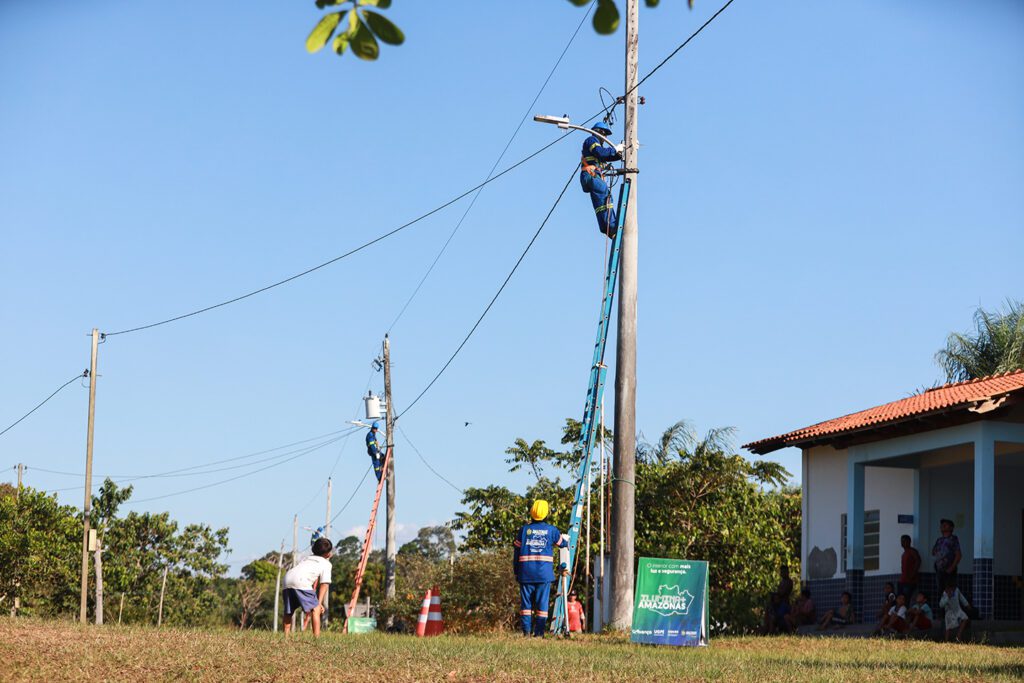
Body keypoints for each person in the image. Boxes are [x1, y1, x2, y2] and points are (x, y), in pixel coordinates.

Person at [513, 499, 567, 637]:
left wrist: (516, 571)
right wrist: (567, 540)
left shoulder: (524, 530)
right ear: (547, 513)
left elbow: (516, 552)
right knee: (542, 606)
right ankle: (539, 634)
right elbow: (562, 544)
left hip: (525, 573)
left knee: (526, 605)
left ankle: (526, 633)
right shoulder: (552, 530)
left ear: (531, 512)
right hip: (544, 574)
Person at [578, 122, 622, 239]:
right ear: (599, 132)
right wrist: (615, 149)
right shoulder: (592, 140)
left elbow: (606, 156)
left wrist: (620, 154)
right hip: (591, 175)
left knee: (600, 204)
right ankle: (611, 226)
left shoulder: (596, 145)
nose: (605, 138)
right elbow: (600, 152)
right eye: (605, 134)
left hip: (590, 176)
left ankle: (606, 228)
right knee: (606, 197)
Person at [283, 537, 333, 638]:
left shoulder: (307, 558)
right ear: (328, 553)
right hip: (301, 581)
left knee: (289, 610)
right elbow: (324, 584)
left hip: (287, 579)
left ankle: (286, 637)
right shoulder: (326, 564)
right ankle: (316, 639)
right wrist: (319, 603)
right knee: (315, 609)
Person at [931, 519, 962, 589]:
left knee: (949, 591)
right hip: (939, 570)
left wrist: (952, 567)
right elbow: (933, 552)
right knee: (941, 591)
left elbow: (958, 555)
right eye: (942, 525)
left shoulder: (953, 539)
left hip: (949, 570)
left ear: (951, 528)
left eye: (945, 525)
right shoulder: (939, 540)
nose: (942, 526)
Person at [898, 534, 922, 602]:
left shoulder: (912, 551)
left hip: (910, 581)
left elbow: (918, 561)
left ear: (909, 542)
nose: (903, 543)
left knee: (907, 599)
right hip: (903, 580)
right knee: (902, 599)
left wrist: (913, 574)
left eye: (905, 541)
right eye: (902, 541)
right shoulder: (904, 554)